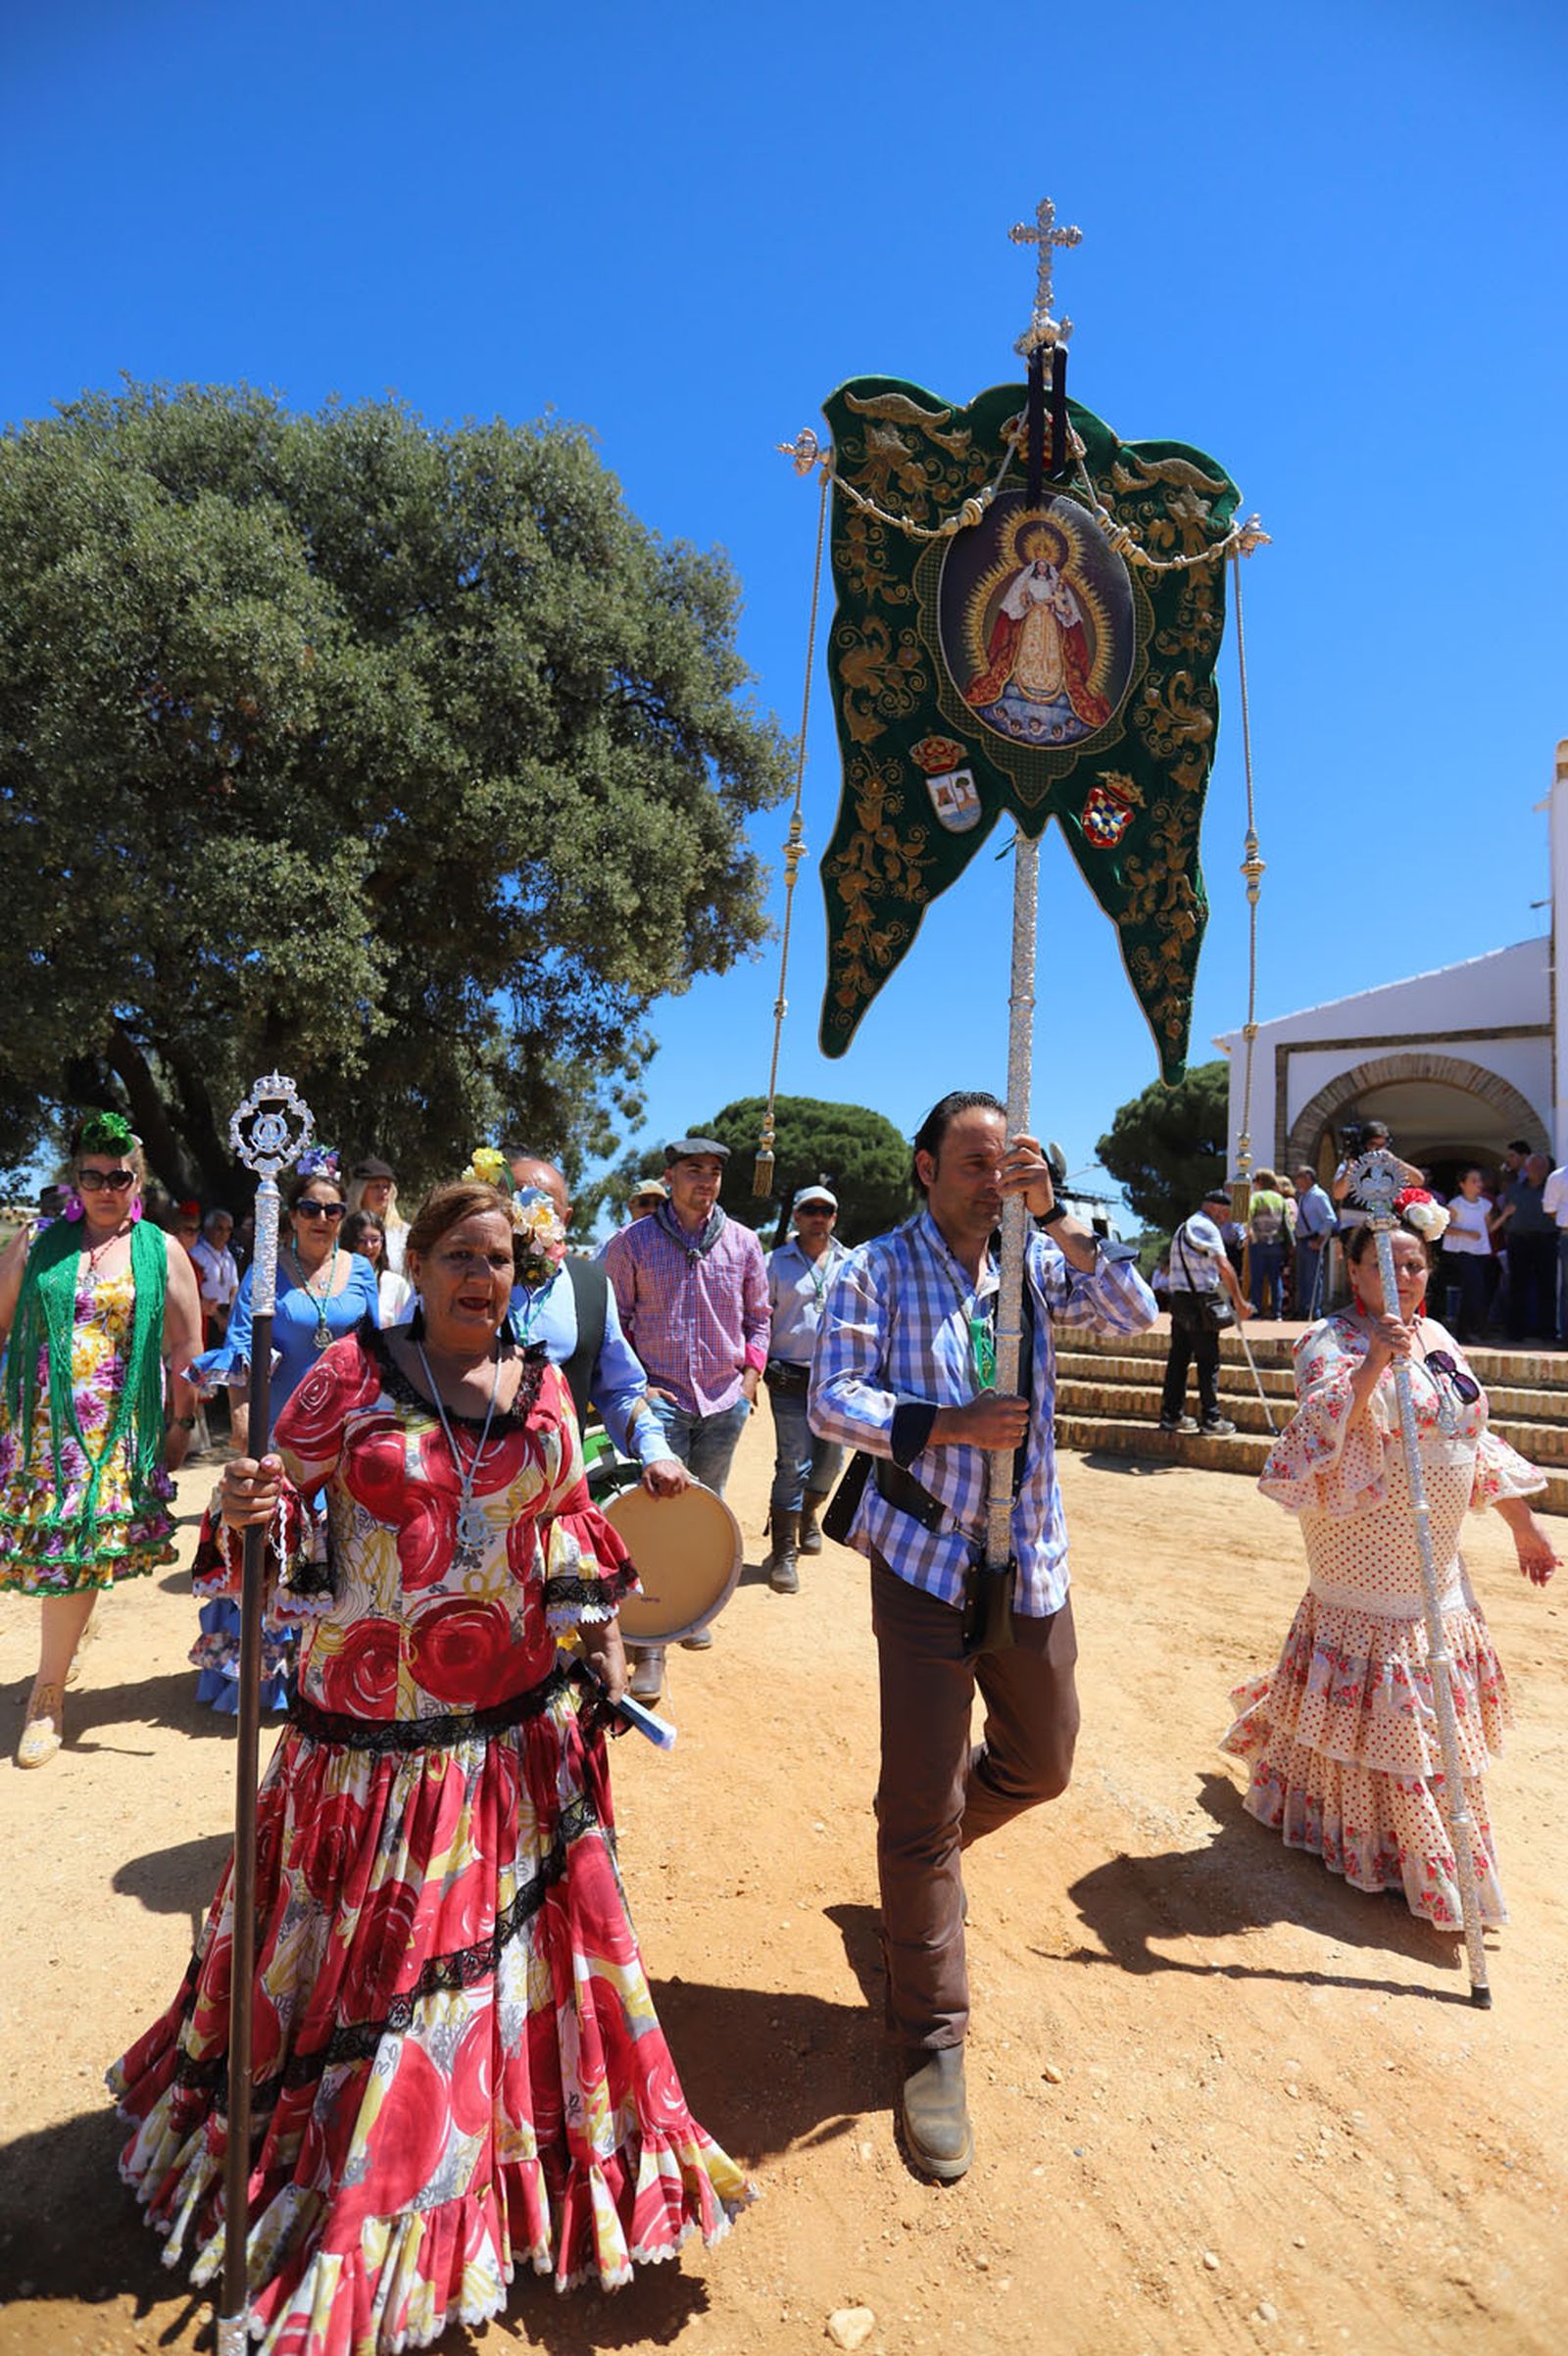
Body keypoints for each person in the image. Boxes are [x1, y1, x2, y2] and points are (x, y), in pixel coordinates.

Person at [109, 1180, 751, 2351]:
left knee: (488, 1992)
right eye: (459, 1253)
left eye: (500, 1259)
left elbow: (566, 1524)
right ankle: (375, 2192)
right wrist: (249, 1502)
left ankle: (488, 2183)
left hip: (514, 1739)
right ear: (416, 1263)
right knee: (390, 1985)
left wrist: (604, 1646)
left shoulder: (543, 1386)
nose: (481, 1275)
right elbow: (272, 1513)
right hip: (369, 1755)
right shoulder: (348, 1375)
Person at [809, 1091, 1156, 2181]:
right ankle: (930, 2038)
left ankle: (920, 1864)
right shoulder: (873, 1269)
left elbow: (1135, 1313)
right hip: (925, 1559)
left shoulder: (1036, 1261)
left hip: (1033, 1556)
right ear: (924, 1167)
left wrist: (1058, 1215)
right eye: (971, 1163)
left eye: (1007, 1164)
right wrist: (944, 1423)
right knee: (917, 1803)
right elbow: (831, 1400)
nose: (989, 1181)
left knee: (1042, 1761)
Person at [1221, 1195, 1558, 1928]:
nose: (1403, 1276)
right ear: (1354, 1271)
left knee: (1428, 1694)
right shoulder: (1327, 1339)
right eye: (1385, 1264)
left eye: (1415, 1264)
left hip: (1436, 1555)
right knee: (1401, 1701)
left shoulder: (1439, 1335)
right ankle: (1424, 1860)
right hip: (1364, 1543)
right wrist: (1375, 1359)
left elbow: (1473, 1439)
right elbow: (1321, 1427)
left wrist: (1523, 1526)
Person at [0, 1111, 204, 1766]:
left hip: (114, 1432)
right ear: (75, 1180)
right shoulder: (37, 1242)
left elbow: (186, 1345)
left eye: (119, 1177)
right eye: (92, 1177)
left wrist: (180, 1424)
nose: (106, 1189)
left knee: (73, 1555)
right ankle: (62, 1656)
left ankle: (46, 1695)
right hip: (41, 1427)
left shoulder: (160, 1250)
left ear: (136, 1181)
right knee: (59, 1554)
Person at [192, 1151, 381, 1713]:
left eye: (333, 1210)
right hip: (282, 1433)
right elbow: (240, 1344)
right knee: (275, 1550)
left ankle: (332, 1672)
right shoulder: (266, 1270)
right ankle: (269, 1682)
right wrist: (243, 1412)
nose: (322, 1218)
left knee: (340, 1548)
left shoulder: (361, 1271)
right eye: (310, 1208)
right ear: (293, 1214)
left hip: (345, 1434)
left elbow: (377, 1348)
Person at [603, 1135, 769, 1701]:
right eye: (694, 1169)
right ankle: (651, 1649)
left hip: (724, 1401)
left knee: (706, 1511)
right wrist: (637, 1388)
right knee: (656, 1515)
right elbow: (616, 1323)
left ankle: (691, 1610)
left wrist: (748, 1381)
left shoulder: (744, 1243)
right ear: (669, 1177)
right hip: (659, 1402)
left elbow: (759, 1319)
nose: (706, 1180)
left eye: (714, 1171)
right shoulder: (631, 1244)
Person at [503, 1154, 687, 1502]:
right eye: (517, 1199)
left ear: (565, 1218)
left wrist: (655, 1449)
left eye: (543, 1204)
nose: (527, 1213)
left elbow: (620, 1390)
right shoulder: (459, 1278)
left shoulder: (593, 1286)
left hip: (558, 1494)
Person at [760, 1183, 851, 1594]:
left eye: (825, 1211)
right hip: (789, 1378)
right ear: (796, 1216)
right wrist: (754, 1369)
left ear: (834, 1218)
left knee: (830, 1463)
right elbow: (758, 1318)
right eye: (810, 1210)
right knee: (794, 1462)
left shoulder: (851, 1262)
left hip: (837, 1382)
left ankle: (807, 1514)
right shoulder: (774, 1263)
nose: (818, 1217)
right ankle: (783, 1553)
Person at [1159, 1187, 1252, 1435]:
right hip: (1200, 1302)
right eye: (1225, 1213)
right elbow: (1224, 1266)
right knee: (1208, 1360)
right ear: (1215, 1208)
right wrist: (1239, 1301)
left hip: (1179, 1300)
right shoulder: (1207, 1227)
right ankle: (1212, 1419)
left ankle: (1171, 1415)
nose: (1226, 1219)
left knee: (1178, 1359)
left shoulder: (1184, 1227)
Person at [1494, 1151, 1556, 1342]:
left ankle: (1547, 1332)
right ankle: (1515, 1332)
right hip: (1518, 1240)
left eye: (1542, 1167)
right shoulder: (1514, 1189)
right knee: (1517, 1286)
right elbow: (1505, 1214)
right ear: (1527, 1168)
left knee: (1547, 1286)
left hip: (1546, 1240)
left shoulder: (1551, 1188)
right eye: (1534, 1166)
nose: (1538, 1170)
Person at [1436, 1166, 1496, 1344]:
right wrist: (1466, 1233)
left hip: (1480, 1252)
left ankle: (1472, 1329)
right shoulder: (1456, 1204)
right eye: (1474, 1181)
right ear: (1462, 1184)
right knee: (1473, 1287)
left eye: (1480, 1180)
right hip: (1460, 1251)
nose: (1479, 1184)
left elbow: (1489, 1228)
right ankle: (1466, 1330)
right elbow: (1444, 1228)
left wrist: (1505, 1215)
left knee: (1476, 1290)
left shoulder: (1485, 1205)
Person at [341, 1206, 416, 1325]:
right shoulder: (338, 1282)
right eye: (362, 1240)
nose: (369, 1246)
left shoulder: (396, 1284)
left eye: (374, 1240)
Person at [346, 1154, 410, 1273]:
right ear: (360, 1191)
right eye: (376, 1186)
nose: (383, 1191)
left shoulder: (402, 1232)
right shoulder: (343, 1229)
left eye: (387, 1187)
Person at [1292, 1164, 1337, 1323]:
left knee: (1313, 1277)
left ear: (1308, 1178)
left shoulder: (1318, 1196)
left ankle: (1313, 1310)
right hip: (1302, 1240)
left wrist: (1319, 1241)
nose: (1296, 1180)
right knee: (1303, 1277)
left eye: (1299, 1177)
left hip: (1313, 1240)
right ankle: (1303, 1308)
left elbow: (1330, 1219)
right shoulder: (1304, 1196)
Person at [189, 1206, 239, 1346]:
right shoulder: (197, 1254)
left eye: (228, 1229)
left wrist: (231, 1315)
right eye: (219, 1228)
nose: (224, 1234)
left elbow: (234, 1288)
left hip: (226, 1314)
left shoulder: (228, 1256)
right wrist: (218, 1318)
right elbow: (193, 1290)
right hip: (205, 1314)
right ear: (208, 1229)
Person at [1245, 1168, 1289, 1317]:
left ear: (1259, 1182)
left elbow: (1248, 1214)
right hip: (1276, 1243)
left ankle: (1256, 1312)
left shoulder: (1256, 1197)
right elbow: (1287, 1223)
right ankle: (1277, 1313)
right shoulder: (1280, 1199)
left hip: (1258, 1243)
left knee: (1257, 1279)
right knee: (1275, 1279)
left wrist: (1248, 1231)